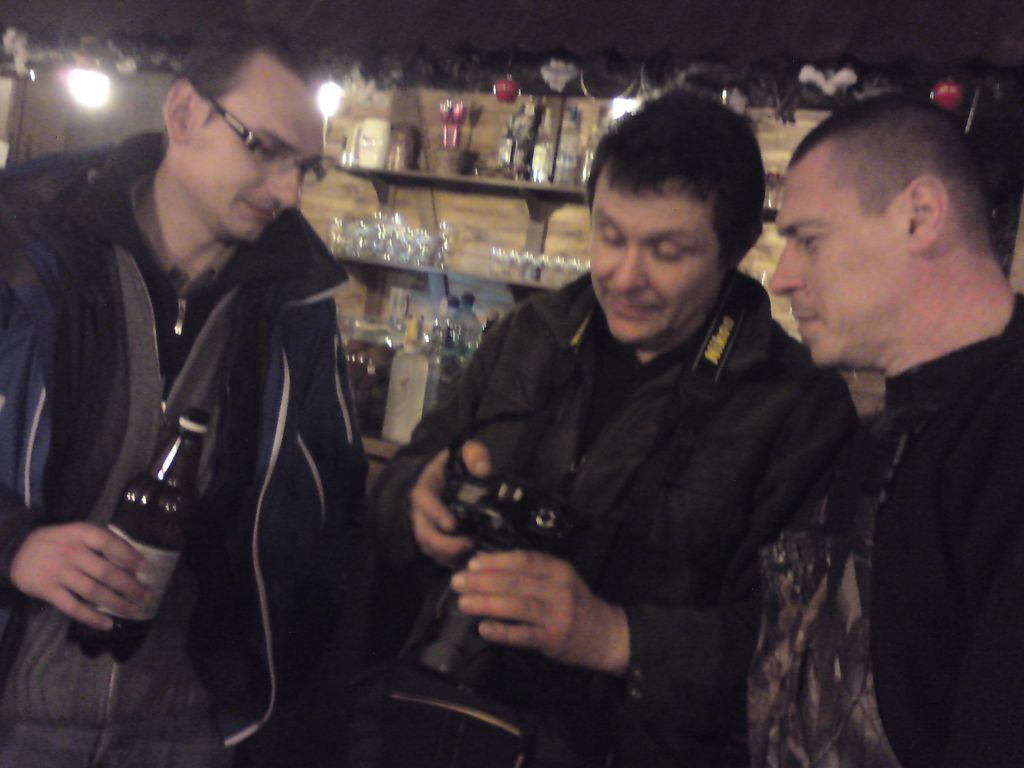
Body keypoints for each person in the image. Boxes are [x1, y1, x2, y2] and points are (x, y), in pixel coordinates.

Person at [366, 90, 856, 767]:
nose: (624, 277)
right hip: (448, 720)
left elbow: (802, 655)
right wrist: (417, 502)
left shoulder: (797, 407)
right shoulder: (531, 334)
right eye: (609, 235)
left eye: (666, 251)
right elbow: (403, 477)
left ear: (736, 249)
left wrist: (612, 636)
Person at [0, 22, 366, 768]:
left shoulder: (296, 308)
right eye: (264, 149)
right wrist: (12, 544)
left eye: (307, 168)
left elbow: (327, 516)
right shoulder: (24, 249)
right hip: (19, 718)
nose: (289, 192)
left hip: (186, 728)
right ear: (183, 114)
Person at [749, 94, 1024, 767]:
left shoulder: (1005, 432)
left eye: (809, 240)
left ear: (919, 215)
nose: (781, 278)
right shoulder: (886, 429)